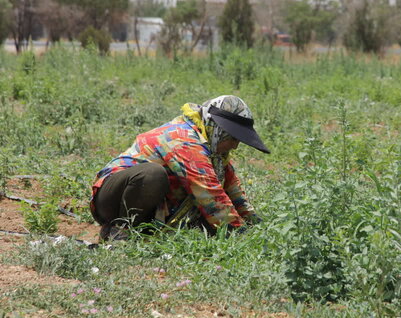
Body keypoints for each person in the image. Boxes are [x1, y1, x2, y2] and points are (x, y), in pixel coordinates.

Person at [90, 95, 270, 241]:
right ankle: (120, 231)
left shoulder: (213, 150)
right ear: (218, 131)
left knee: (207, 228)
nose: (235, 146)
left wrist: (258, 226)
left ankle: (146, 234)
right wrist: (243, 237)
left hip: (149, 204)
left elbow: (234, 192)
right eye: (233, 139)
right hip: (111, 198)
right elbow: (211, 197)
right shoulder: (184, 140)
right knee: (153, 174)